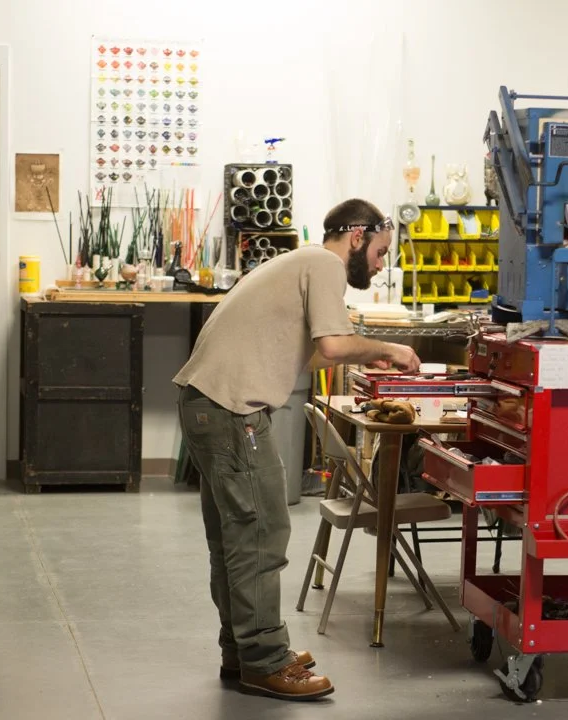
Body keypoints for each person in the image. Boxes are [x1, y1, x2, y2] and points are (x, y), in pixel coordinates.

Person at [173, 198, 421, 702]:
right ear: (357, 236)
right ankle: (265, 659)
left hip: (206, 404)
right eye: (379, 252)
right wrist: (389, 348)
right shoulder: (324, 264)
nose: (379, 265)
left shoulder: (300, 263)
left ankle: (242, 650)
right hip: (231, 408)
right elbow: (332, 348)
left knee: (235, 538)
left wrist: (365, 355)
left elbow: (306, 355)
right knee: (263, 531)